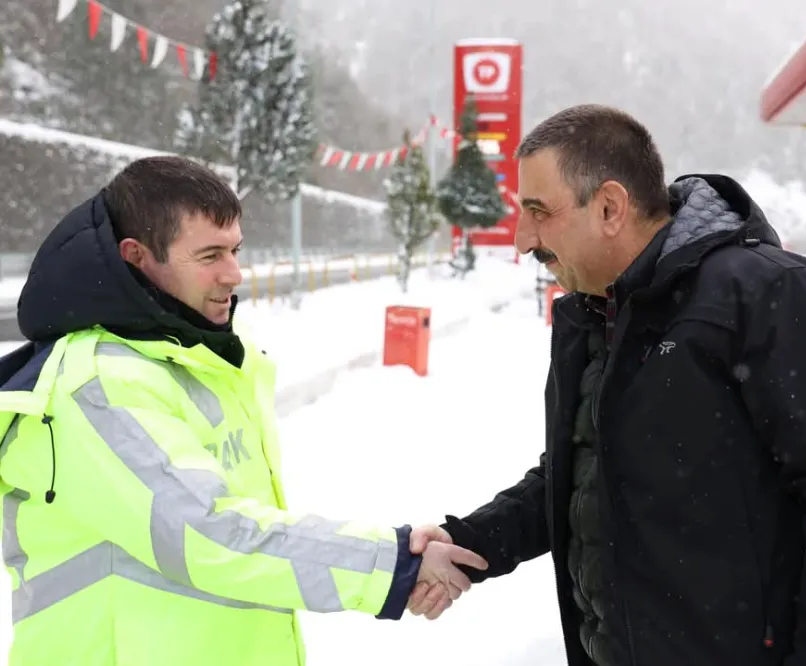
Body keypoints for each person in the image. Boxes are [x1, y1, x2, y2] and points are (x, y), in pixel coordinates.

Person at [406, 104, 806, 666]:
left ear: (610, 207)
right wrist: (470, 541)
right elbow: (582, 474)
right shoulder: (595, 314)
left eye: (538, 211)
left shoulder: (769, 294)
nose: (523, 239)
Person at [0, 156, 486, 666]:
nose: (234, 273)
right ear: (136, 256)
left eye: (235, 249)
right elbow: (207, 534)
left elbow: (245, 525)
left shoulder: (206, 359)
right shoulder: (97, 383)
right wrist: (393, 565)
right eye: (209, 255)